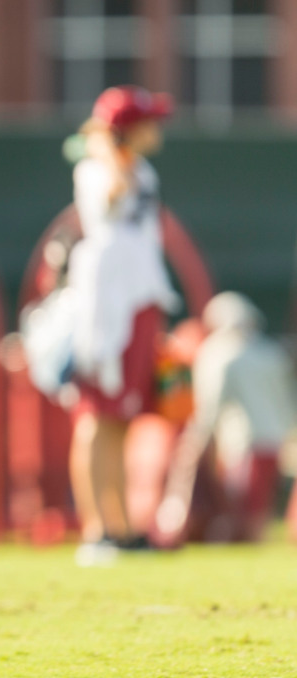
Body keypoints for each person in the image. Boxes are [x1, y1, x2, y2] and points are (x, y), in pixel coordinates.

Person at [62, 86, 179, 566]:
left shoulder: (143, 169)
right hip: (106, 308)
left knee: (122, 418)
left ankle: (123, 526)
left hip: (138, 299)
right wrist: (109, 149)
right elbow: (108, 200)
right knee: (95, 415)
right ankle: (97, 529)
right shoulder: (96, 168)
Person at [158, 292, 296, 544]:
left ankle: (250, 554)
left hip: (244, 442)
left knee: (243, 510)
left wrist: (197, 438)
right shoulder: (271, 354)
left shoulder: (220, 354)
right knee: (257, 509)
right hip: (275, 440)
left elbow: (210, 405)